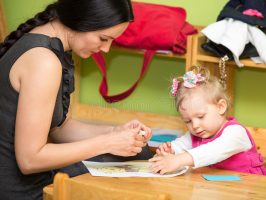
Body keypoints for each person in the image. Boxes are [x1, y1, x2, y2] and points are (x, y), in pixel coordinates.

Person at [0, 0, 153, 199]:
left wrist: (115, 132)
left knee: (137, 152)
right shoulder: (43, 61)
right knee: (136, 161)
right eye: (103, 38)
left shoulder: (48, 43)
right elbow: (29, 160)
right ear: (81, 21)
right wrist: (107, 143)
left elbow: (60, 128)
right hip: (21, 190)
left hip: (30, 178)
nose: (106, 49)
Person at [149, 66, 266, 176]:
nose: (195, 126)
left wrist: (179, 160)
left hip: (250, 189)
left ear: (220, 107)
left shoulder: (236, 133)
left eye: (200, 117)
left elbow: (214, 150)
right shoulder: (195, 135)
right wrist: (169, 151)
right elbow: (180, 145)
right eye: (188, 121)